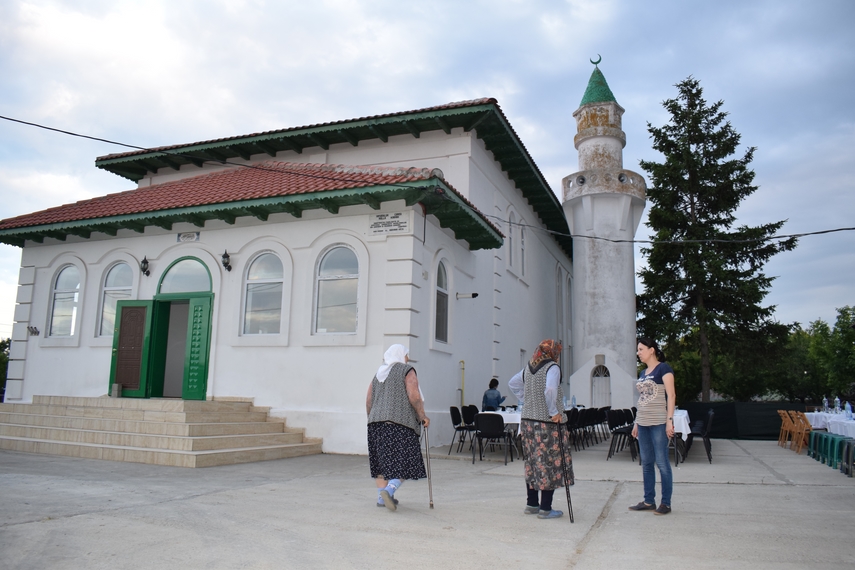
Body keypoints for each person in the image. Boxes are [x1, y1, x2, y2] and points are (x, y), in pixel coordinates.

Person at [508, 339, 574, 520]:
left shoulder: (528, 368)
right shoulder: (552, 367)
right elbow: (550, 389)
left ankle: (532, 504)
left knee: (532, 462)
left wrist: (526, 399)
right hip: (546, 423)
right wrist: (553, 412)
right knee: (549, 463)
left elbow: (512, 383)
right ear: (553, 353)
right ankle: (545, 508)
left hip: (528, 422)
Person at [366, 344, 430, 512]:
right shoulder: (406, 370)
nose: (407, 358)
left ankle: (382, 498)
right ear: (401, 355)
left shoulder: (378, 374)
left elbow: (369, 400)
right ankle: (389, 491)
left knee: (381, 463)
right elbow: (414, 395)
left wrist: (372, 418)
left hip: (375, 424)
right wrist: (422, 416)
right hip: (399, 424)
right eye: (406, 355)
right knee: (406, 459)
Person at [629, 337, 676, 515]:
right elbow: (642, 399)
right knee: (647, 463)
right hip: (643, 423)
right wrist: (636, 422)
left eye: (641, 349)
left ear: (651, 350)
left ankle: (666, 503)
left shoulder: (663, 369)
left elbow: (671, 395)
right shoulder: (643, 373)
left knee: (662, 462)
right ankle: (649, 501)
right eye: (638, 350)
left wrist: (669, 421)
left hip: (658, 422)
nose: (638, 353)